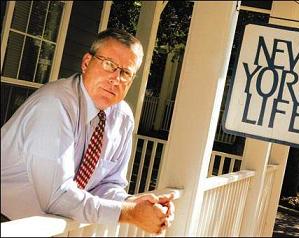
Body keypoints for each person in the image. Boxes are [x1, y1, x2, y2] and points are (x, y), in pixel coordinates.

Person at [1, 28, 174, 234]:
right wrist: (129, 213)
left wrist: (135, 203)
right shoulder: (55, 105)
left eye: (126, 73)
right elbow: (57, 197)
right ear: (86, 63)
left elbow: (106, 184)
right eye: (109, 64)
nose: (116, 79)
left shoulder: (123, 118)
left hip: (44, 228)